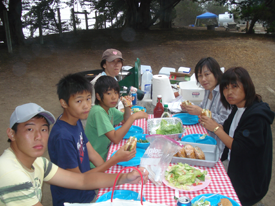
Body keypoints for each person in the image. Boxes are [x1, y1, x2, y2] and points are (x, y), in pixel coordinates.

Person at [0, 103, 148, 206]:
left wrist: (125, 177)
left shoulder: (38, 162)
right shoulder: (12, 174)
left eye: (44, 129)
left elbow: (82, 180)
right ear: (11, 134)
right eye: (30, 130)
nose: (38, 136)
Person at [48, 73, 137, 206]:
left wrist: (109, 169)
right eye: (79, 101)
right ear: (64, 103)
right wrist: (114, 160)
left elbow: (92, 153)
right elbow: (79, 180)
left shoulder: (75, 120)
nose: (86, 105)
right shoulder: (63, 137)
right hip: (74, 200)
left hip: (88, 190)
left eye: (88, 99)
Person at [200, 67, 274, 206]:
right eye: (226, 88)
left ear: (247, 86)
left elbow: (239, 147)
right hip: (235, 166)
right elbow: (227, 132)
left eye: (235, 86)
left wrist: (215, 128)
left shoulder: (256, 117)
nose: (229, 92)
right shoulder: (238, 107)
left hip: (249, 179)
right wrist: (211, 124)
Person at [85, 75, 148, 168]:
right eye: (108, 93)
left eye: (116, 92)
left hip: (105, 156)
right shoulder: (98, 111)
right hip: (95, 164)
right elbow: (115, 138)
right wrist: (134, 117)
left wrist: (127, 106)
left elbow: (125, 120)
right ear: (98, 96)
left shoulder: (109, 108)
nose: (114, 97)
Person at [180, 57, 231, 154]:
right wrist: (189, 108)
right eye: (200, 76)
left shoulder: (224, 93)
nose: (203, 79)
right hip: (206, 136)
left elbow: (225, 121)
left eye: (207, 74)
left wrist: (201, 112)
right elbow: (202, 106)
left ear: (216, 73)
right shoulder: (208, 89)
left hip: (218, 144)